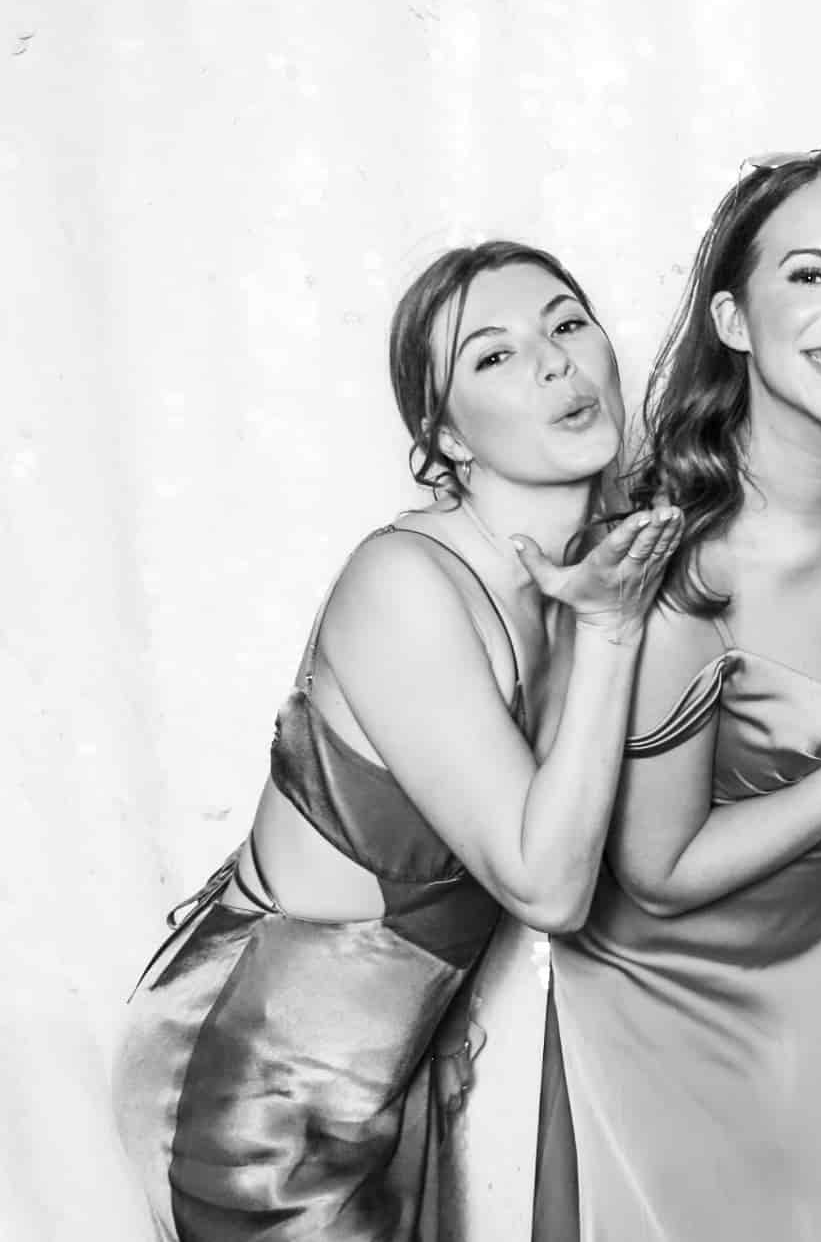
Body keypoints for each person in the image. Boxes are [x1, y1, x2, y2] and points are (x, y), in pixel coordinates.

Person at [113, 241, 682, 1241]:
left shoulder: (594, 570)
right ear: (447, 434)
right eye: (493, 355)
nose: (553, 361)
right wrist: (609, 632)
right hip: (255, 1086)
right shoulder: (406, 585)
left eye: (565, 323)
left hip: (386, 1077)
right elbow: (548, 887)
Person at [535, 148, 821, 1241]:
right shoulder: (681, 568)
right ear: (733, 320)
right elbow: (658, 871)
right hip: (675, 1027)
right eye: (809, 274)